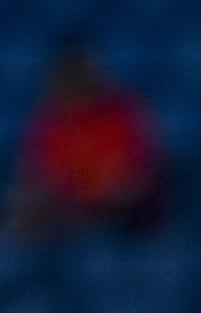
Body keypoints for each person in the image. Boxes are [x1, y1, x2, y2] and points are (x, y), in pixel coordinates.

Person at [3, 39, 165, 243]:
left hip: (123, 215)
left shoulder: (122, 114)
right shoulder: (48, 120)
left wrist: (97, 191)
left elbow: (138, 176)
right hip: (66, 216)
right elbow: (37, 178)